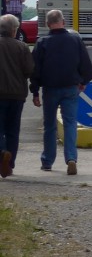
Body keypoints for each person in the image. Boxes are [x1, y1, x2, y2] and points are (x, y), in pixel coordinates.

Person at [31, 8, 92, 176]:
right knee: (70, 123)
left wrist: (35, 92)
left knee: (50, 126)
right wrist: (83, 81)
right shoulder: (75, 40)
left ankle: (47, 161)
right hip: (71, 88)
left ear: (47, 24)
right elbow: (87, 66)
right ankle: (71, 158)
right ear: (63, 22)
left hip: (50, 89)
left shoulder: (42, 42)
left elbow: (35, 70)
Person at [0, 14, 35, 178]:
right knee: (13, 130)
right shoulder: (22, 47)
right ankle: (10, 164)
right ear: (14, 30)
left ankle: (2, 153)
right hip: (17, 95)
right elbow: (29, 70)